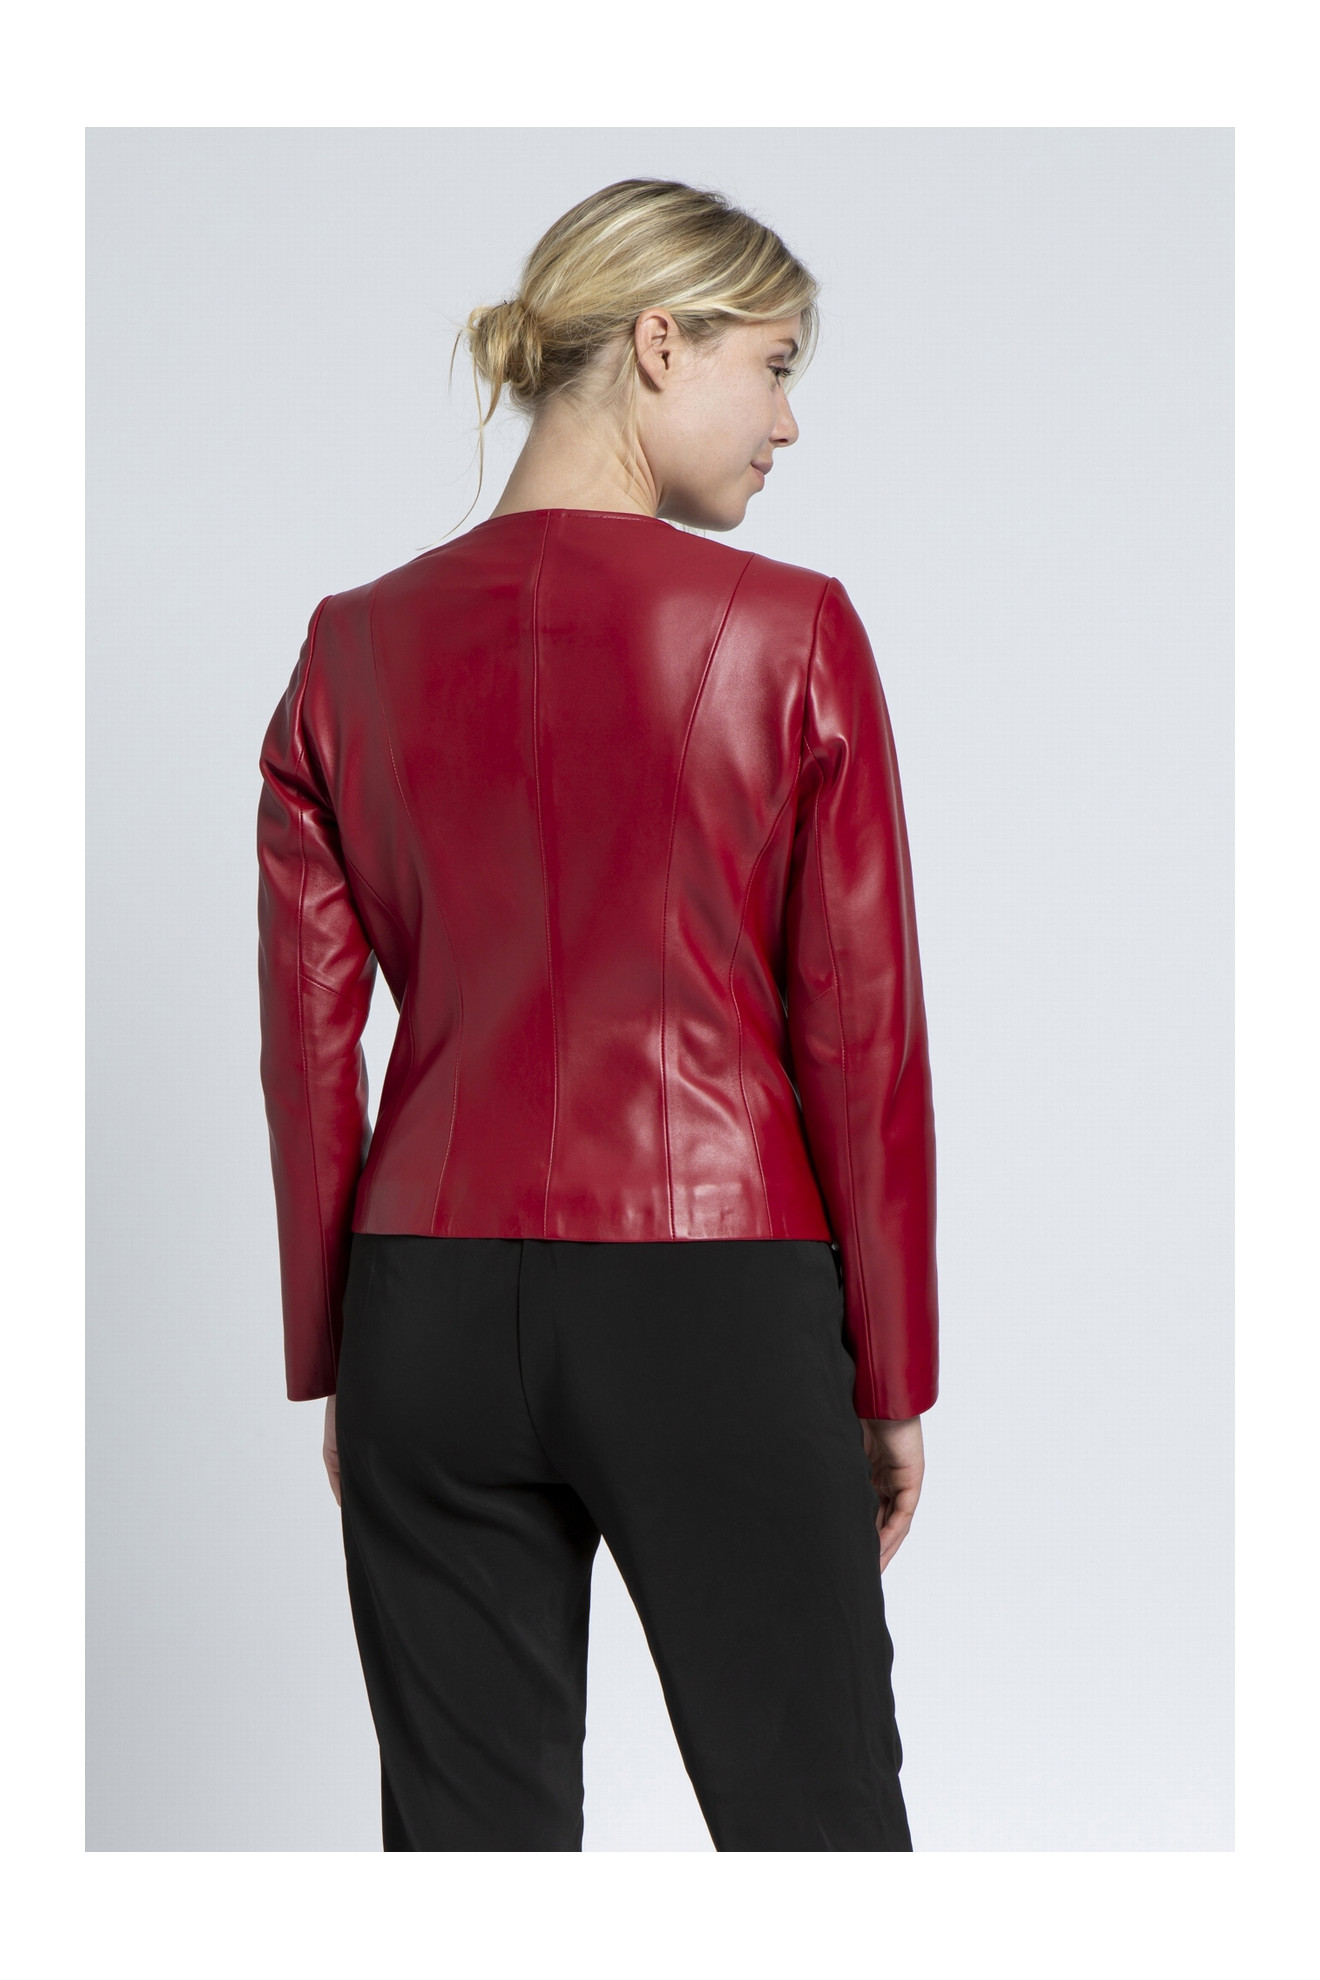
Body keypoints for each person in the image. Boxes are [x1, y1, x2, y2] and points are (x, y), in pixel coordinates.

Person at [256, 177, 939, 1853]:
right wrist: (891, 1371)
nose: (789, 423)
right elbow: (858, 1030)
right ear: (658, 342)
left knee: (468, 1865)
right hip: (714, 1294)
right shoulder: (790, 631)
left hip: (424, 1305)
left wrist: (342, 1349)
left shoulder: (349, 648)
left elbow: (308, 1044)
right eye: (775, 366)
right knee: (821, 1840)